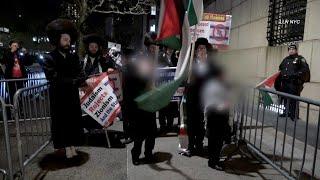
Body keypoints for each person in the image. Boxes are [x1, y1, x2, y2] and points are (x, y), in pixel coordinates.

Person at [44, 19, 87, 159]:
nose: (68, 42)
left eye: (69, 40)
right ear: (58, 40)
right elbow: (52, 76)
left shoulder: (74, 57)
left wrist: (78, 80)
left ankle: (73, 145)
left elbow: (81, 74)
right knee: (61, 121)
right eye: (64, 40)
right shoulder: (50, 57)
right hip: (58, 96)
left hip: (72, 95)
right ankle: (65, 146)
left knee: (73, 121)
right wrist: (73, 81)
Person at [185, 38, 215, 156]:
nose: (201, 50)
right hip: (192, 98)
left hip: (205, 98)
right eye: (199, 48)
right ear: (196, 51)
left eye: (203, 48)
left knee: (201, 123)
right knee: (191, 123)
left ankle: (199, 144)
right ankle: (191, 146)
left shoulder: (210, 64)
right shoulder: (191, 64)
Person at [276, 44, 310, 120]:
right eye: (289, 49)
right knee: (285, 98)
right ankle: (286, 112)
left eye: (293, 49)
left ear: (296, 50)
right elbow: (280, 68)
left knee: (294, 99)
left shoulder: (300, 59)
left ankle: (294, 114)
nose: (291, 50)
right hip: (285, 83)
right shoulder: (285, 59)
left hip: (294, 83)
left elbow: (305, 70)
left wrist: (296, 75)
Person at [158, 46, 179, 134]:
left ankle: (170, 126)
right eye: (169, 49)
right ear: (166, 49)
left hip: (172, 87)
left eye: (172, 49)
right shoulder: (160, 57)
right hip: (162, 86)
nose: (171, 50)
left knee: (171, 107)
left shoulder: (175, 58)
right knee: (162, 108)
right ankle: (163, 127)